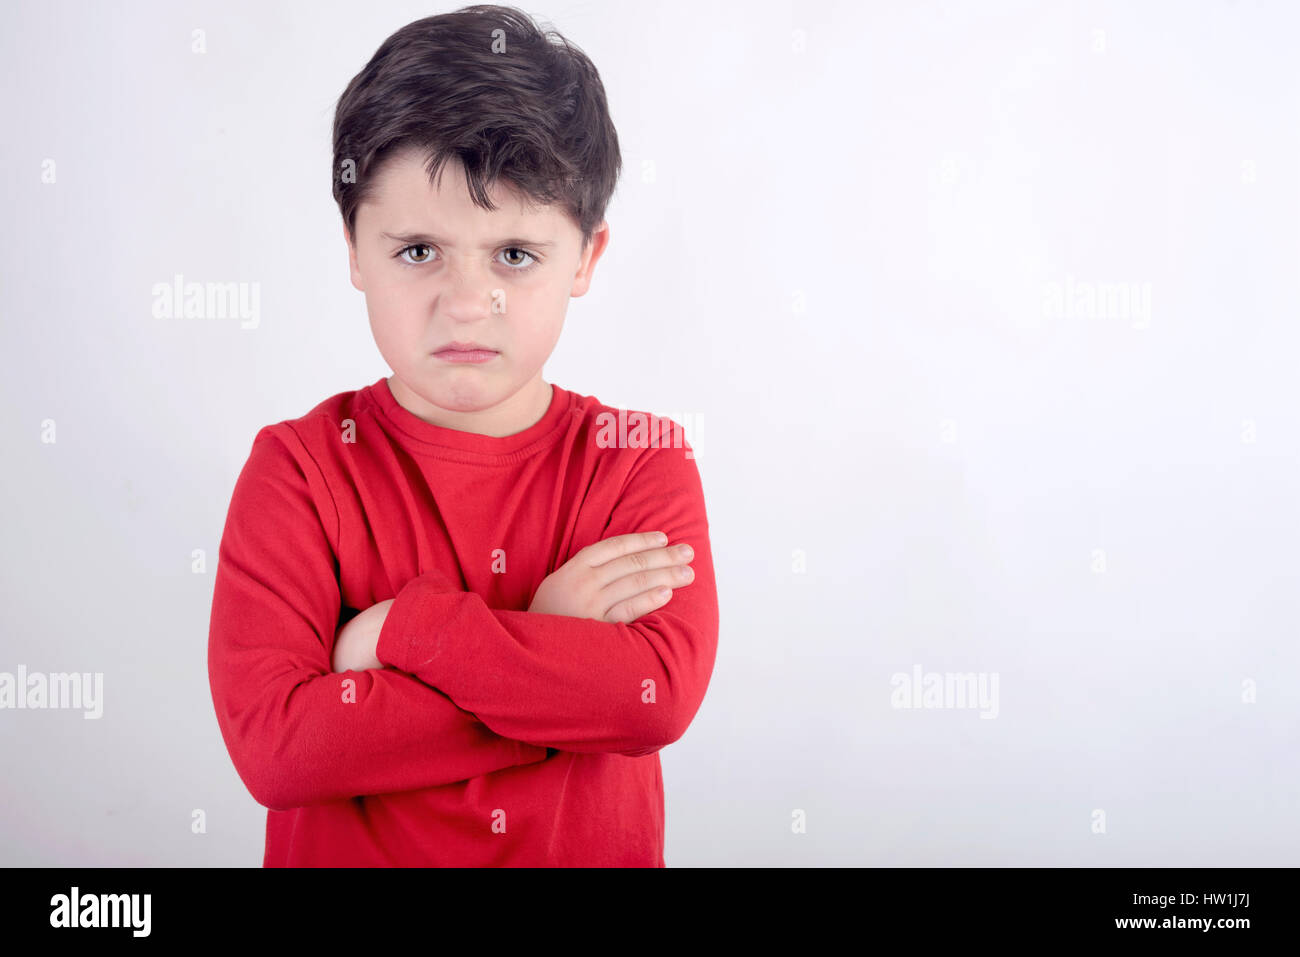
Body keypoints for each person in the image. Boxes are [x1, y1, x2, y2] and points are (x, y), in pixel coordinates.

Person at [206, 4, 718, 867]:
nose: (466, 301)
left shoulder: (641, 457)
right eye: (418, 251)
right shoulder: (295, 469)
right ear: (354, 249)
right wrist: (548, 644)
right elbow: (280, 749)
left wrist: (405, 635)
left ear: (587, 258)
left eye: (514, 254)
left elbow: (649, 700)